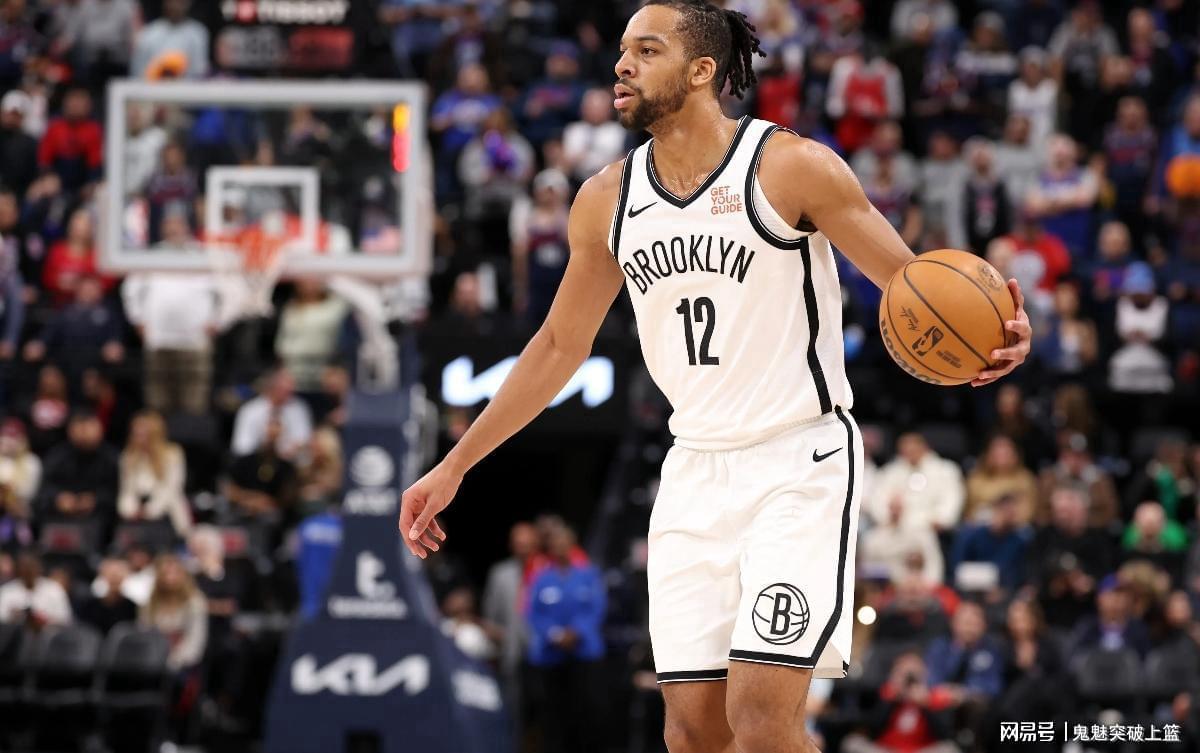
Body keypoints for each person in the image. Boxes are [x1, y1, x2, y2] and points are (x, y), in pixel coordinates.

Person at [399, 3, 1033, 751]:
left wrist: (995, 334)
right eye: (623, 50)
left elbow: (915, 285)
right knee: (693, 734)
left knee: (762, 721)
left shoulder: (792, 166)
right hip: (694, 470)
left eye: (647, 50)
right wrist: (454, 464)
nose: (622, 65)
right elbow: (557, 347)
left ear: (702, 70)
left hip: (797, 460)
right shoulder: (604, 201)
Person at [527, 525, 605, 753]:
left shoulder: (588, 575)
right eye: (556, 543)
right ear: (550, 548)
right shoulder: (542, 579)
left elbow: (596, 608)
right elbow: (533, 613)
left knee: (586, 709)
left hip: (584, 653)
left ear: (572, 545)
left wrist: (577, 631)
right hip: (551, 656)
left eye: (564, 543)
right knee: (553, 712)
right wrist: (555, 634)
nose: (560, 547)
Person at [117, 411, 190, 538]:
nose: (137, 435)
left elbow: (171, 489)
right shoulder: (128, 456)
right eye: (135, 432)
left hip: (166, 514)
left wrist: (149, 511)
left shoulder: (172, 454)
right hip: (136, 518)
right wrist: (130, 510)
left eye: (142, 432)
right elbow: (126, 490)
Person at [229, 367, 312, 461]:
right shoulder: (250, 411)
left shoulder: (298, 408)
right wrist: (266, 443)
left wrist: (288, 450)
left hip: (290, 463)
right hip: (255, 462)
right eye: (283, 390)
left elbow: (304, 440)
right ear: (272, 388)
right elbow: (242, 447)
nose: (290, 393)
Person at [0, 550, 72, 628]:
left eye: (31, 567)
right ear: (18, 569)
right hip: (16, 631)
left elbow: (65, 618)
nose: (28, 571)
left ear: (39, 567)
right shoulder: (7, 590)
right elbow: (2, 617)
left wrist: (46, 620)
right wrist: (13, 616)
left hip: (49, 632)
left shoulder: (54, 588)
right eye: (24, 567)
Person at [77, 557, 138, 634]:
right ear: (103, 575)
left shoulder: (132, 607)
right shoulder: (89, 607)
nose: (114, 578)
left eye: (118, 574)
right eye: (111, 574)